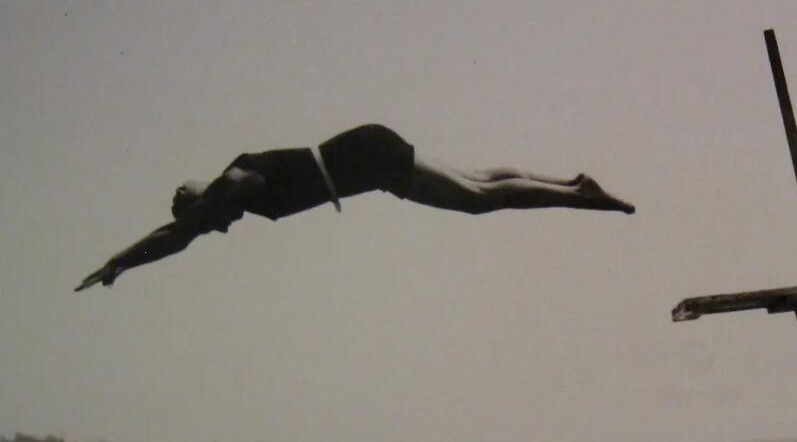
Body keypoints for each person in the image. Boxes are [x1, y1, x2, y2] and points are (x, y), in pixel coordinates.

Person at [76, 123, 634, 291]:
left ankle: (575, 197)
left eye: (208, 219)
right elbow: (189, 231)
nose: (217, 229)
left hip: (365, 162)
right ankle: (571, 182)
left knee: (479, 201)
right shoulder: (235, 181)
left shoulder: (231, 184)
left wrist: (120, 262)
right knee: (477, 179)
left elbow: (178, 237)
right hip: (364, 152)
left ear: (196, 198)